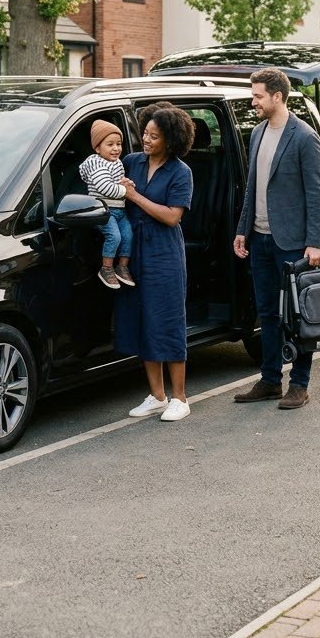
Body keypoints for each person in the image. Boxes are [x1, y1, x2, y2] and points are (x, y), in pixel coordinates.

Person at [233, 67, 320, 410]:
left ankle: (299, 384)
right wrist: (243, 230)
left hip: (293, 243)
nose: (253, 101)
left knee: (298, 316)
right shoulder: (257, 133)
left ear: (277, 96)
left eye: (258, 96)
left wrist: (315, 242)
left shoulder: (303, 137)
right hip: (259, 239)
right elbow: (252, 188)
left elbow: (317, 194)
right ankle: (271, 380)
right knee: (268, 313)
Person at [115, 104, 195, 422]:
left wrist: (135, 197)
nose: (146, 140)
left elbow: (172, 216)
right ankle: (157, 396)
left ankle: (181, 398)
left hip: (164, 253)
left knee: (167, 320)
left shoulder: (180, 172)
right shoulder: (133, 162)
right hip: (133, 250)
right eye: (145, 133)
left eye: (154, 136)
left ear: (171, 140)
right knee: (143, 320)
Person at [78, 119, 135, 289]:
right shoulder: (96, 163)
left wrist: (127, 183)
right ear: (97, 148)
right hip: (104, 210)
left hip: (120, 210)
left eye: (119, 144)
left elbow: (117, 182)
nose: (116, 148)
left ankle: (122, 267)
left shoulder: (116, 162)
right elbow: (106, 187)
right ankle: (107, 268)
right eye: (110, 144)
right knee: (114, 236)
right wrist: (127, 192)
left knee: (128, 236)